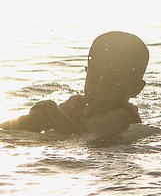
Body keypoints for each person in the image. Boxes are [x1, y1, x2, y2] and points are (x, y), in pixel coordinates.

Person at [2, 31, 150, 140]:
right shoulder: (78, 103)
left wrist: (51, 109)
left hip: (104, 158)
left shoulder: (123, 116)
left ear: (136, 89)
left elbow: (78, 136)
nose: (99, 90)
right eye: (94, 79)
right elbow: (44, 121)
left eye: (111, 85)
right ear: (87, 73)